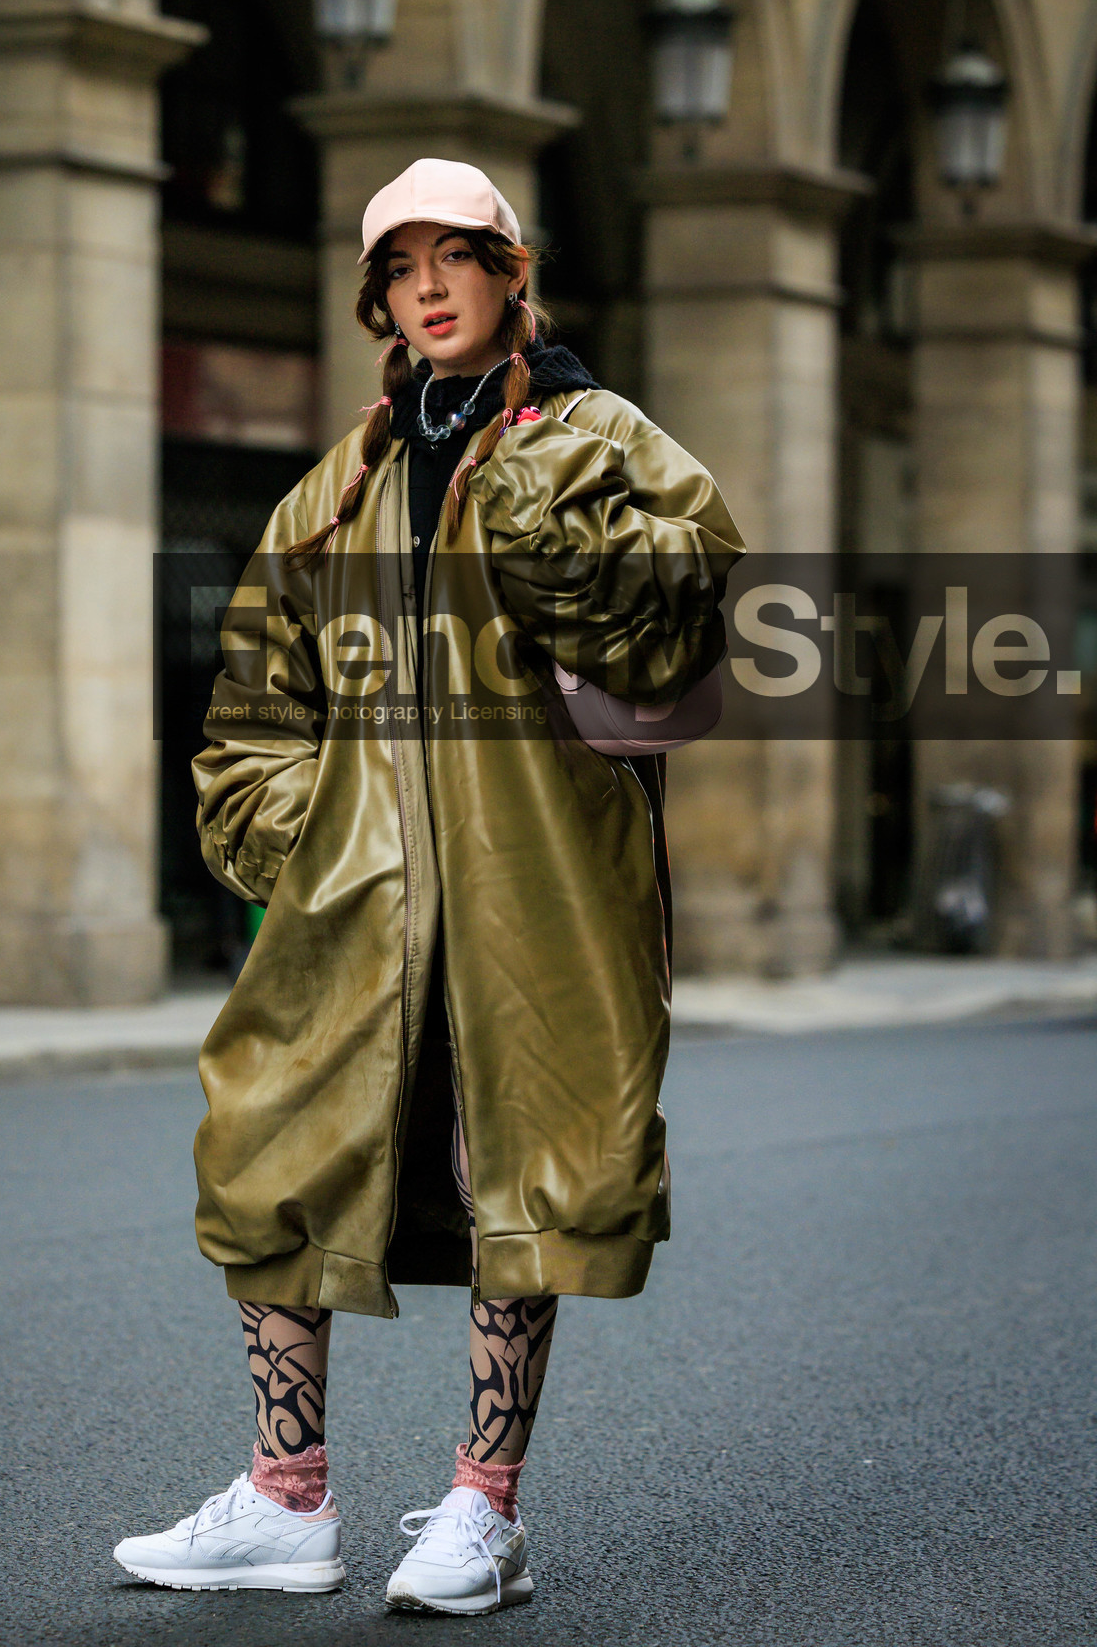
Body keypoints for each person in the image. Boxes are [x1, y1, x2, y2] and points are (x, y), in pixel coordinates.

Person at [114, 159, 746, 1615]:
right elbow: (252, 706)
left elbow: (673, 631)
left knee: (520, 1169)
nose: (431, 286)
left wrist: (532, 505)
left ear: (514, 274)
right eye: (403, 267)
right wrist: (296, 843)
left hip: (542, 898)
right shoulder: (336, 487)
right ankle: (286, 1499)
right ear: (378, 300)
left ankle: (482, 1507)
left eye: (459, 257)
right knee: (268, 1153)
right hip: (353, 908)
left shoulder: (605, 443)